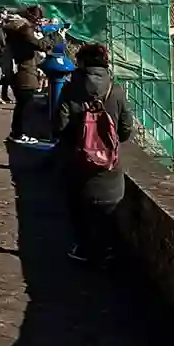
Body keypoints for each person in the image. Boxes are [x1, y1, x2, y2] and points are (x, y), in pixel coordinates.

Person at [53, 42, 137, 263]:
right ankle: (107, 251)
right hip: (109, 167)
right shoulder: (116, 91)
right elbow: (127, 129)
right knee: (109, 212)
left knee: (80, 210)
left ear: (81, 63)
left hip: (78, 165)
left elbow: (58, 126)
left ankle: (85, 249)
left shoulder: (71, 90)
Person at [3, 15, 50, 145]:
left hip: (20, 75)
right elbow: (42, 45)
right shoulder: (24, 34)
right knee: (26, 107)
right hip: (26, 76)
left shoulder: (13, 36)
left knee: (21, 106)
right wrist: (54, 35)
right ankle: (21, 133)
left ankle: (17, 132)